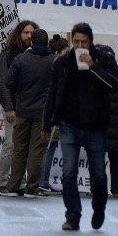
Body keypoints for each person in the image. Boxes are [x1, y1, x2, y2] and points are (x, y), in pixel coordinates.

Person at [42, 22, 118, 231]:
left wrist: (94, 67)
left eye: (84, 42)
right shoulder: (63, 63)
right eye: (76, 41)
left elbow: (117, 85)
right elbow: (53, 94)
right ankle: (73, 216)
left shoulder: (103, 59)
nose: (80, 45)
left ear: (91, 42)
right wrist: (47, 124)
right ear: (72, 41)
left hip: (96, 126)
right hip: (69, 124)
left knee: (98, 173)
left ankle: (99, 208)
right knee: (68, 173)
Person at [2, 28, 56, 198]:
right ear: (47, 43)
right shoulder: (54, 61)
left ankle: (12, 187)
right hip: (43, 112)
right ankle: (32, 188)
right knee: (37, 151)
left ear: (31, 42)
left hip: (23, 110)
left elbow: (8, 82)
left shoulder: (20, 59)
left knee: (19, 149)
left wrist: (22, 90)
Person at [0, 20, 37, 195]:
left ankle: (19, 182)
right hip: (14, 108)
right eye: (26, 32)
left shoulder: (36, 55)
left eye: (32, 33)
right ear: (19, 34)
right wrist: (9, 107)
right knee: (10, 145)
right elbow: (2, 82)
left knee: (23, 148)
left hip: (30, 108)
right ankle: (2, 182)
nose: (29, 36)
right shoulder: (9, 53)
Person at [40, 35, 70, 194]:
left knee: (47, 148)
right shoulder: (57, 67)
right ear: (58, 52)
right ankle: (43, 182)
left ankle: (42, 181)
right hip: (52, 113)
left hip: (46, 111)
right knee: (49, 148)